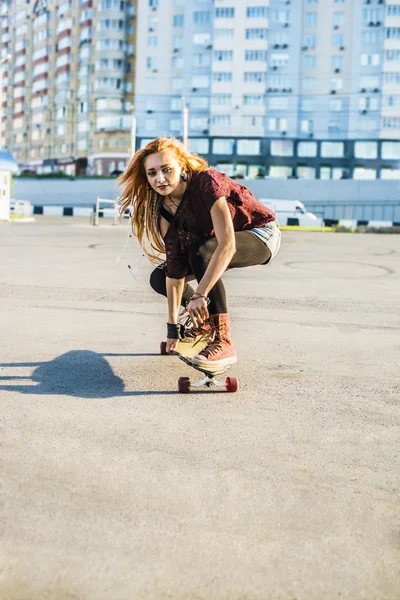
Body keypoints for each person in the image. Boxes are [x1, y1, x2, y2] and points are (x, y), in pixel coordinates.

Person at [118, 137, 281, 372]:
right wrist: (172, 327)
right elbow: (174, 272)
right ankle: (204, 324)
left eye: (167, 170)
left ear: (182, 167)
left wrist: (200, 295)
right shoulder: (164, 211)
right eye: (152, 173)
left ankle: (223, 340)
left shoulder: (207, 182)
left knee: (200, 251)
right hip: (211, 246)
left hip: (260, 234)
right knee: (159, 277)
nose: (160, 179)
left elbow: (227, 245)